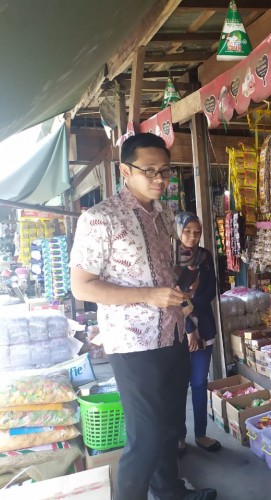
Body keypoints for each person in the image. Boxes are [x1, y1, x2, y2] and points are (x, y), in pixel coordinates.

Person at [70, 133, 217, 500]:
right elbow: (82, 287)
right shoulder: (100, 218)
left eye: (164, 171)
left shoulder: (165, 214)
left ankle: (171, 492)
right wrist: (149, 296)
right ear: (125, 171)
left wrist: (185, 303)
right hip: (132, 342)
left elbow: (165, 271)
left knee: (170, 427)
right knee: (146, 437)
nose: (159, 179)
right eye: (149, 170)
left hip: (173, 333)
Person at [175, 212, 222, 455]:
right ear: (178, 231)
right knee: (178, 384)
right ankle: (179, 436)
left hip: (204, 325)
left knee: (199, 382)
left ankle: (201, 434)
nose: (192, 236)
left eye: (197, 232)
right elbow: (170, 295)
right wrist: (188, 328)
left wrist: (192, 307)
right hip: (177, 331)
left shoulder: (204, 256)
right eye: (187, 231)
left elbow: (210, 289)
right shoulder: (169, 256)